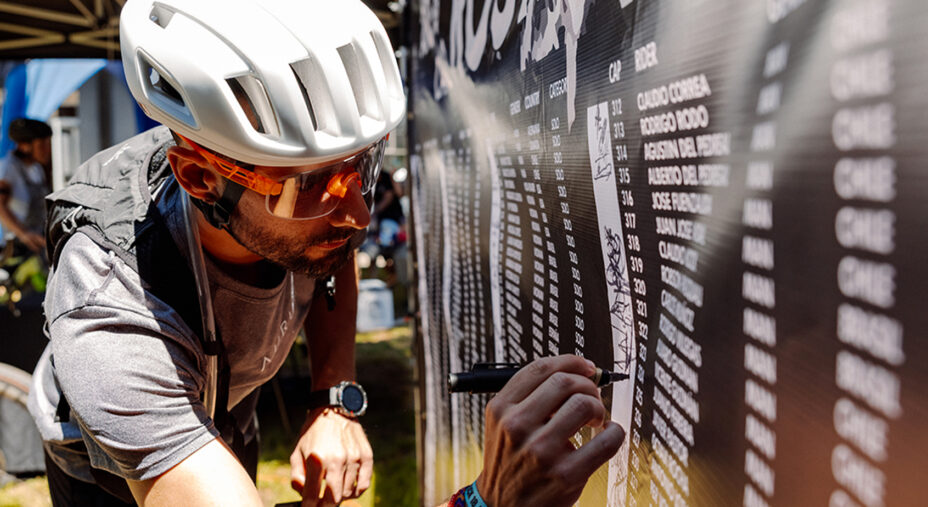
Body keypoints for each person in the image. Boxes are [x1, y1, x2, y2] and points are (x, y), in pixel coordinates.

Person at [27, 1, 625, 506]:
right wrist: (486, 500)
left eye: (362, 168)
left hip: (229, 404)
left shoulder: (300, 202)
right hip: (108, 468)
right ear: (200, 177)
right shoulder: (113, 320)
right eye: (312, 187)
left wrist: (333, 400)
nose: (359, 215)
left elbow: (332, 257)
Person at [0, 118, 51, 255]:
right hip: (15, 247)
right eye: (42, 145)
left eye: (48, 144)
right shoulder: (8, 168)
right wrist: (24, 234)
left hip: (36, 244)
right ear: (24, 145)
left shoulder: (37, 169)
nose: (47, 150)